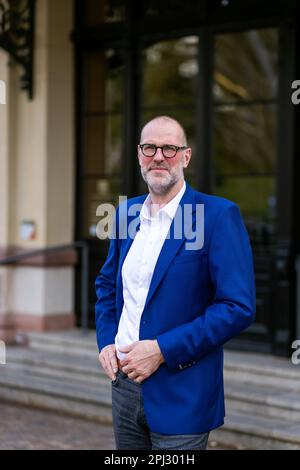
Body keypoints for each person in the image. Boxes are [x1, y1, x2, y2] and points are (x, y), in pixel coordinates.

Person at [95, 116, 256, 450]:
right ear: (139, 155)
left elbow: (237, 307)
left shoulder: (217, 216)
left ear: (186, 156)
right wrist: (106, 340)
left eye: (169, 148)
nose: (158, 156)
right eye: (149, 147)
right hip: (123, 388)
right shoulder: (126, 213)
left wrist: (161, 350)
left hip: (182, 392)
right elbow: (107, 286)